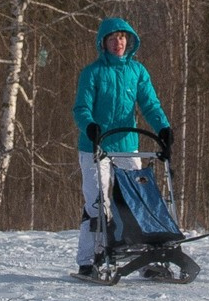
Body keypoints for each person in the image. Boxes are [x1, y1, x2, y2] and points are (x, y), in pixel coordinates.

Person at [72, 17, 171, 275]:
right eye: (113, 38)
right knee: (98, 202)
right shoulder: (92, 72)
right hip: (95, 146)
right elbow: (81, 108)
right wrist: (90, 126)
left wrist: (163, 128)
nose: (119, 42)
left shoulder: (137, 72)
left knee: (136, 200)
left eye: (123, 37)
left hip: (127, 144)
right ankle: (88, 259)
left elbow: (150, 104)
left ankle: (145, 261)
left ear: (130, 41)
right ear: (103, 42)